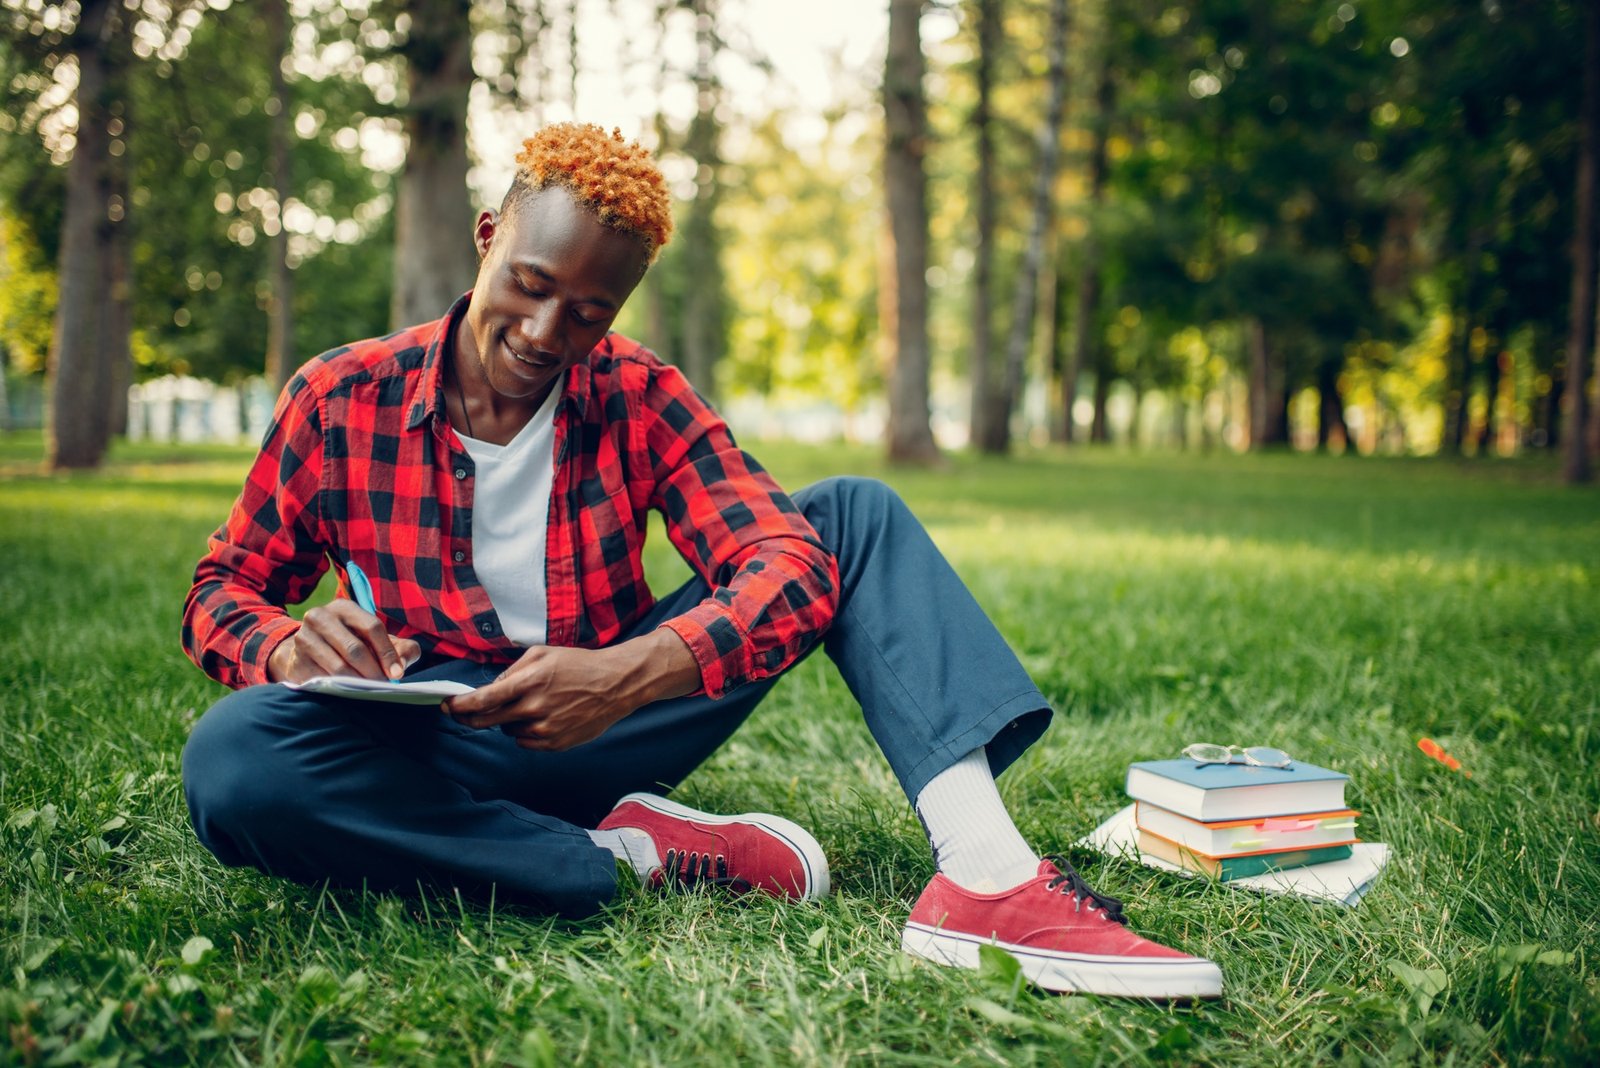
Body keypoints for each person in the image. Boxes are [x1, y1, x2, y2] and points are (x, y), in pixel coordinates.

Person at [180, 123, 1222, 1000]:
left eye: (588, 313)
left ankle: (989, 882)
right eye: (530, 286)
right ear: (488, 237)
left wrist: (634, 671)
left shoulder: (638, 395)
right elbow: (221, 588)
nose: (546, 332)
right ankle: (622, 857)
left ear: (620, 308)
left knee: (848, 515)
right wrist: (281, 644)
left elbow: (788, 562)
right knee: (233, 762)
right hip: (428, 732)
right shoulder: (338, 398)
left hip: (611, 710)